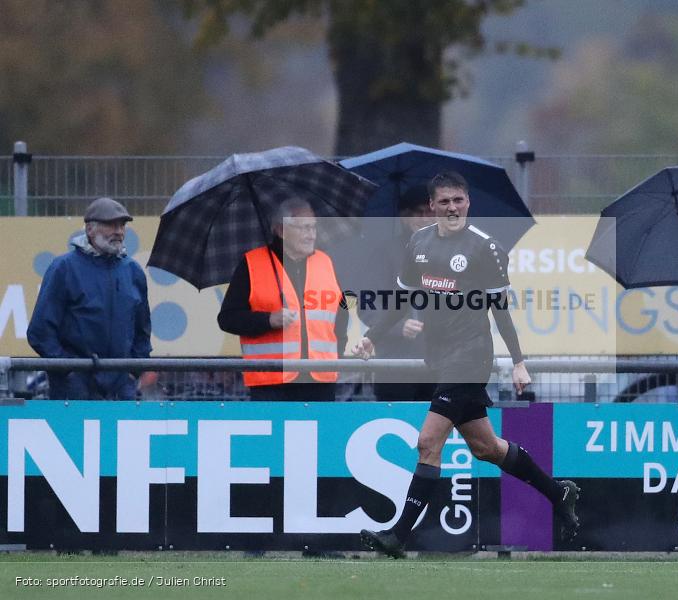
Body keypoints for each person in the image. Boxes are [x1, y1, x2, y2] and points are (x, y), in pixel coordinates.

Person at [353, 171, 579, 558]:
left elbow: (501, 310)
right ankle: (558, 492)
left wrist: (519, 362)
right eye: (444, 201)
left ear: (468, 202)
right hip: (440, 358)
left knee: (428, 442)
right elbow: (401, 300)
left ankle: (397, 536)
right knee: (486, 447)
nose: (452, 208)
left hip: (471, 357)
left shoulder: (485, 247)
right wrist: (372, 335)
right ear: (432, 206)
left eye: (458, 200)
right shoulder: (418, 243)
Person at [218, 198, 348, 401]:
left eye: (313, 227)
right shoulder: (252, 264)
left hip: (320, 381)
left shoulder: (326, 262)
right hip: (271, 383)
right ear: (281, 230)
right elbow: (227, 318)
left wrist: (335, 359)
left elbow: (341, 317)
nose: (311, 235)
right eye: (303, 228)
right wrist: (268, 320)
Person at [27, 197, 152, 400]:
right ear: (89, 229)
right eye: (111, 225)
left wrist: (131, 373)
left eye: (122, 225)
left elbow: (142, 331)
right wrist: (69, 371)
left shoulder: (133, 271)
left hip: (121, 391)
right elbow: (40, 332)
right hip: (74, 392)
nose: (119, 231)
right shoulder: (64, 268)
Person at [357, 185, 436, 401]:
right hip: (396, 365)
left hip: (439, 363)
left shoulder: (449, 253)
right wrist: (399, 327)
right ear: (404, 216)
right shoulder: (385, 254)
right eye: (418, 212)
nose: (425, 218)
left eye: (430, 212)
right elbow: (368, 306)